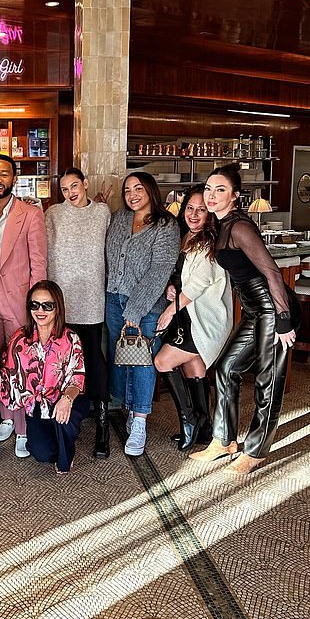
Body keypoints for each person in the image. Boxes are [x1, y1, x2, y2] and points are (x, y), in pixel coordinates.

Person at [190, 164, 301, 474]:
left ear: (235, 196)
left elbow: (271, 272)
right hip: (254, 310)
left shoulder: (239, 227)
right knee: (226, 368)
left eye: (220, 190)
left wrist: (283, 319)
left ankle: (256, 450)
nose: (212, 195)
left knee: (269, 378)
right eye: (209, 189)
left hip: (273, 308)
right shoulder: (218, 224)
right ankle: (223, 441)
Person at [0, 154, 47, 459]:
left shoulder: (30, 213)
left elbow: (39, 263)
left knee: (19, 361)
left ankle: (23, 427)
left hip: (17, 296)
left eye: (4, 174)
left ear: (14, 179)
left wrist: (37, 304)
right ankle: (4, 416)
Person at [106, 171, 180, 457]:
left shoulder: (166, 224)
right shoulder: (120, 218)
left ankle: (140, 421)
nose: (132, 194)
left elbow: (160, 270)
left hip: (147, 306)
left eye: (138, 188)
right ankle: (130, 408)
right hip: (113, 300)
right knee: (121, 358)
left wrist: (135, 309)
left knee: (142, 363)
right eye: (127, 190)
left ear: (150, 190)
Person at [0, 281, 85, 475]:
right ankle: (57, 435)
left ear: (57, 307)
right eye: (34, 305)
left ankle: (67, 440)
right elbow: (8, 372)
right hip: (37, 406)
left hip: (66, 400)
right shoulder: (20, 338)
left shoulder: (70, 339)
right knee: (41, 453)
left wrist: (66, 399)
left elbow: (76, 377)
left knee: (64, 424)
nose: (40, 310)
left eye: (47, 305)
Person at [153, 185, 232, 450]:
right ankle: (205, 427)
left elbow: (199, 283)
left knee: (162, 361)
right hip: (187, 316)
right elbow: (181, 277)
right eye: (190, 208)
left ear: (210, 213)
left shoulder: (209, 242)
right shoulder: (185, 236)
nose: (194, 214)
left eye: (201, 209)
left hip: (204, 319)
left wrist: (168, 311)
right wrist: (170, 287)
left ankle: (189, 420)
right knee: (193, 367)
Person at [45, 167, 111, 458]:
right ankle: (65, 417)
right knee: (61, 359)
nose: (70, 193)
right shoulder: (53, 214)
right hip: (61, 300)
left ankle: (102, 420)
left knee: (93, 358)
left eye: (75, 185)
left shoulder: (103, 213)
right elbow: (44, 252)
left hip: (92, 298)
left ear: (85, 183)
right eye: (64, 189)